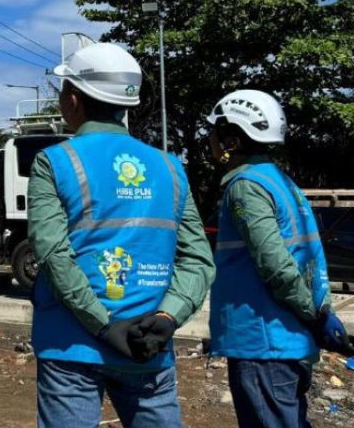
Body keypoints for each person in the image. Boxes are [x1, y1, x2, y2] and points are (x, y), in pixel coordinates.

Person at [28, 42, 214, 428]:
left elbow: (53, 256)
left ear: (74, 99)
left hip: (72, 348)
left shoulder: (55, 161)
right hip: (149, 346)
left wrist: (104, 324)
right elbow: (197, 259)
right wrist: (167, 319)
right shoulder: (170, 168)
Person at [206, 90, 354, 428]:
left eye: (215, 131)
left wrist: (315, 316)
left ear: (232, 137)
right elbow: (307, 258)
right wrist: (319, 313)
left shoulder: (246, 186)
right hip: (289, 337)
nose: (211, 140)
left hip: (263, 340)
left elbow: (275, 262)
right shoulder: (282, 183)